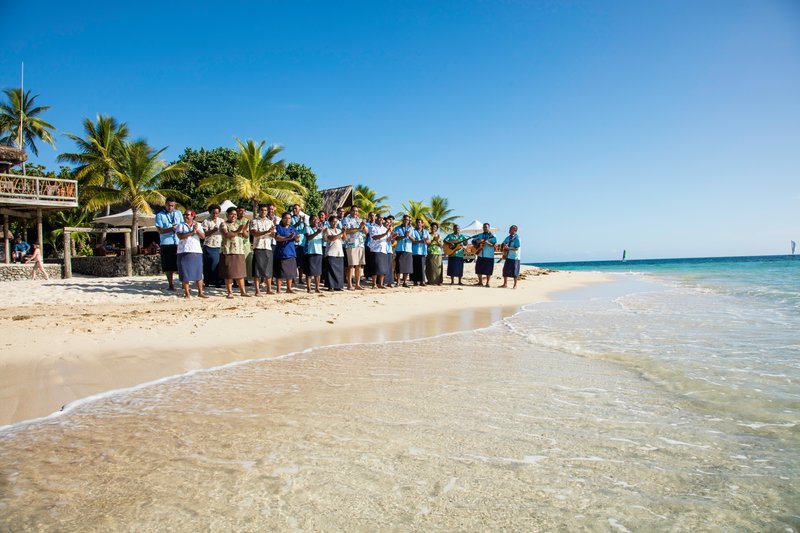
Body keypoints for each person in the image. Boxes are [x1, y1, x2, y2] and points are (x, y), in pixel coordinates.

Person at [219, 207, 250, 299]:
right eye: (231, 214)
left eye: (235, 214)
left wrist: (243, 229)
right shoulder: (223, 224)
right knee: (228, 273)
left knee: (240, 272)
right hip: (228, 251)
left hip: (239, 250)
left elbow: (246, 236)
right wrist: (238, 230)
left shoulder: (239, 224)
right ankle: (230, 292)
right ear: (227, 215)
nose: (233, 216)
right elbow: (226, 234)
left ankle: (243, 291)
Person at [154, 197, 184, 290]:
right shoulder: (159, 215)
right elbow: (160, 230)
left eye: (172, 205)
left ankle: (184, 284)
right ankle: (171, 284)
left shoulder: (178, 213)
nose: (170, 207)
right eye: (169, 205)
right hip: (167, 243)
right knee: (168, 266)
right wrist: (172, 228)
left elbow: (182, 225)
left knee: (182, 264)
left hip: (179, 242)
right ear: (165, 204)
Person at [176, 211, 207, 299]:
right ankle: (187, 293)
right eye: (184, 215)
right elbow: (181, 236)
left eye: (187, 215)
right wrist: (192, 232)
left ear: (193, 216)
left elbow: (203, 236)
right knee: (185, 272)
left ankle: (200, 292)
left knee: (198, 272)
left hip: (196, 250)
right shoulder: (180, 225)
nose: (185, 216)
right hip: (183, 250)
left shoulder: (198, 225)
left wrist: (196, 230)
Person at [250, 204, 276, 296]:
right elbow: (254, 233)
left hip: (268, 247)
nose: (264, 212)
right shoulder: (254, 221)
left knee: (268, 269)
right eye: (262, 210)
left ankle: (269, 289)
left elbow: (273, 235)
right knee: (257, 270)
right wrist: (267, 232)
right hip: (258, 247)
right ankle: (257, 290)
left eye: (265, 210)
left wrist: (271, 231)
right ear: (259, 211)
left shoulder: (270, 222)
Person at [342, 206, 368, 290]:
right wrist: (359, 228)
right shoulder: (346, 219)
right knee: (351, 265)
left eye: (356, 211)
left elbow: (366, 232)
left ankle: (357, 284)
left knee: (359, 265)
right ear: (350, 211)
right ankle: (349, 284)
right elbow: (346, 231)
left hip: (360, 244)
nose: (355, 212)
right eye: (353, 211)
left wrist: (363, 227)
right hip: (351, 244)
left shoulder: (360, 220)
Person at [274, 212, 298, 294]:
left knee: (290, 272)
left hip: (291, 252)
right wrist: (287, 238)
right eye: (286, 218)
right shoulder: (278, 227)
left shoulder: (292, 228)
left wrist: (297, 238)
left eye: (289, 218)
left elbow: (297, 238)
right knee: (279, 272)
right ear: (282, 219)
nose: (288, 220)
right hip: (281, 252)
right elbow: (277, 237)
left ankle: (289, 288)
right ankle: (278, 289)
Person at [201, 204, 224, 288]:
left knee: (217, 264)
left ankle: (217, 281)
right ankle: (207, 281)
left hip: (219, 245)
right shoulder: (206, 221)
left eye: (217, 213)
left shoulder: (221, 221)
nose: (215, 215)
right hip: (209, 244)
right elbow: (204, 234)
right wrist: (213, 230)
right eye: (213, 213)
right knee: (208, 264)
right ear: (210, 212)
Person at [303, 215, 325, 293]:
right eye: (312, 220)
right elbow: (308, 238)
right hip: (310, 251)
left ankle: (317, 287)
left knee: (318, 271)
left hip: (319, 251)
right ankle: (308, 288)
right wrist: (317, 232)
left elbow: (324, 239)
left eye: (316, 220)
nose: (314, 221)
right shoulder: (307, 228)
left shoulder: (320, 229)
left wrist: (322, 232)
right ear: (309, 221)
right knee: (309, 271)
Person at [471, 223, 497, 287]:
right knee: (478, 269)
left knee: (488, 270)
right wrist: (478, 242)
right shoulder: (480, 235)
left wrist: (486, 242)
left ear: (489, 228)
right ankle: (480, 282)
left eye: (486, 227)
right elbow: (473, 241)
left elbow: (493, 245)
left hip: (489, 255)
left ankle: (488, 283)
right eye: (484, 227)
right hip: (480, 254)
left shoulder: (492, 235)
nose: (485, 228)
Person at [368, 213, 390, 289]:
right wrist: (385, 234)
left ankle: (380, 284)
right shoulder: (372, 227)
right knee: (375, 268)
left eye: (382, 218)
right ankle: (374, 284)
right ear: (376, 219)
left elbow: (387, 239)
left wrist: (392, 236)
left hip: (383, 249)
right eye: (379, 218)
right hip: (375, 249)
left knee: (383, 268)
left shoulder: (384, 228)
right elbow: (374, 237)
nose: (381, 219)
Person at [324, 215, 345, 291]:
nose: (334, 223)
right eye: (333, 221)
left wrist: (344, 232)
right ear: (329, 222)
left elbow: (344, 238)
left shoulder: (339, 230)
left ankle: (338, 285)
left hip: (339, 252)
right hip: (331, 252)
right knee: (330, 270)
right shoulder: (327, 230)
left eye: (336, 222)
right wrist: (341, 233)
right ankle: (330, 286)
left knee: (339, 270)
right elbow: (331, 238)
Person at [394, 215, 414, 287]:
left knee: (407, 267)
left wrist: (409, 236)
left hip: (408, 249)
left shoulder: (411, 229)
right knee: (398, 266)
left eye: (408, 220)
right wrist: (404, 236)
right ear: (403, 220)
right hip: (400, 249)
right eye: (405, 219)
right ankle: (398, 281)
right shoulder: (397, 228)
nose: (406, 221)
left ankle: (405, 282)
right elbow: (395, 237)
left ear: (409, 221)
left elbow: (414, 239)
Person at [409, 218, 430, 287]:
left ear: (422, 223)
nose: (418, 224)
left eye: (419, 222)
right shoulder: (413, 231)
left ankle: (422, 281)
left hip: (423, 252)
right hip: (415, 251)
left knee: (422, 267)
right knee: (415, 267)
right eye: (417, 222)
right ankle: (415, 281)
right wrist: (421, 241)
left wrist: (426, 241)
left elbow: (429, 241)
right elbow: (413, 241)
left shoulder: (426, 231)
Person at [291, 204, 307, 285]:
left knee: (301, 262)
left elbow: (306, 229)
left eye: (296, 209)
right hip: (293, 242)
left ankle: (300, 279)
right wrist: (298, 223)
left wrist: (303, 222)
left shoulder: (304, 218)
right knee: (293, 261)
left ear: (299, 209)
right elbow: (291, 227)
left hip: (301, 243)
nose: (295, 210)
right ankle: (293, 278)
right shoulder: (291, 218)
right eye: (293, 209)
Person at [236, 206, 253, 283]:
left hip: (246, 244)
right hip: (237, 244)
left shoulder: (248, 221)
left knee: (247, 262)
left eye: (243, 211)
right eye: (240, 211)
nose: (242, 212)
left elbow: (250, 233)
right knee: (237, 263)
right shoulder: (234, 221)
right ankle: (236, 280)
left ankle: (246, 280)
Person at [384, 215, 396, 287]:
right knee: (383, 266)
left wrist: (392, 234)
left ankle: (389, 282)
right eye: (387, 222)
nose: (388, 223)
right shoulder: (382, 229)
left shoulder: (391, 229)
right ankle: (382, 281)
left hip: (389, 249)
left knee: (390, 266)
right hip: (382, 250)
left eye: (389, 221)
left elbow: (392, 241)